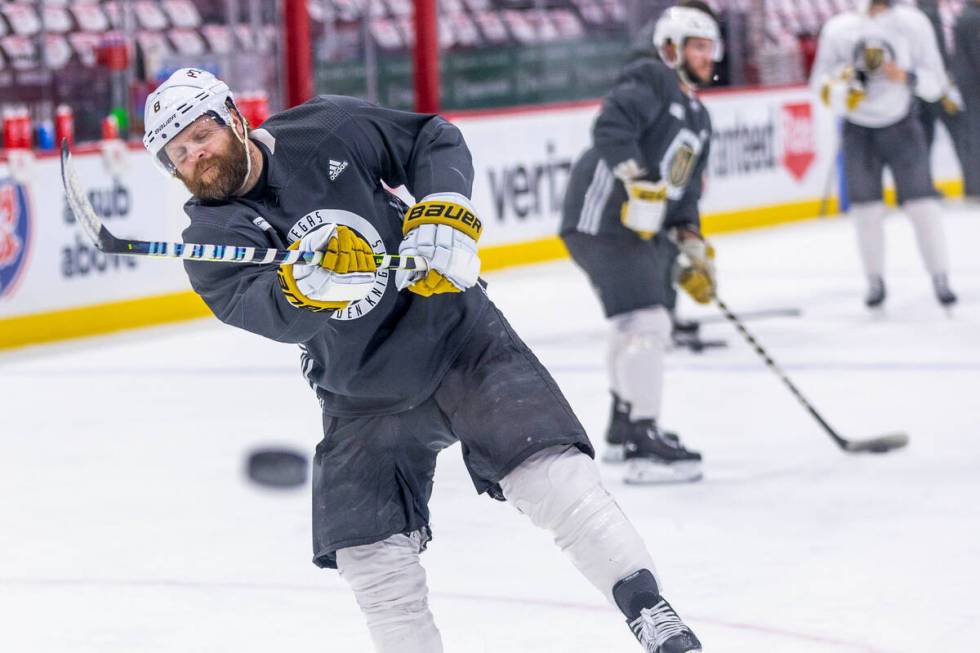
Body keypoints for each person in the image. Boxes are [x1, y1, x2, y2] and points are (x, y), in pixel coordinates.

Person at [141, 68, 703, 653]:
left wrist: (441, 214)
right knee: (372, 560)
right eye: (178, 154)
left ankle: (652, 613)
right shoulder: (209, 240)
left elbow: (432, 139)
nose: (195, 158)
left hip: (458, 338)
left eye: (200, 136)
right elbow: (270, 313)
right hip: (362, 391)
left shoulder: (326, 127)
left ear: (233, 116)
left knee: (549, 473)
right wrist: (307, 287)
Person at [559, 1, 720, 485]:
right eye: (697, 46)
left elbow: (685, 191)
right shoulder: (651, 77)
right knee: (648, 321)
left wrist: (691, 242)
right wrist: (637, 178)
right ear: (670, 48)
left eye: (711, 47)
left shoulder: (701, 118)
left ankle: (623, 427)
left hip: (631, 229)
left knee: (634, 324)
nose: (707, 56)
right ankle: (643, 438)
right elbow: (611, 129)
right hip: (601, 218)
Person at [811, 0, 957, 309]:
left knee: (922, 205)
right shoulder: (839, 29)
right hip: (857, 130)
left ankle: (940, 276)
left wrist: (906, 77)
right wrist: (844, 86)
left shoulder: (912, 22)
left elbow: (936, 82)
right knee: (866, 211)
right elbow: (819, 83)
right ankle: (874, 281)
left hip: (902, 124)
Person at [953, 0, 980, 201]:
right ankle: (975, 186)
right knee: (975, 135)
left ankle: (973, 186)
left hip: (969, 86)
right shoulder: (973, 17)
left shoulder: (968, 15)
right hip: (974, 87)